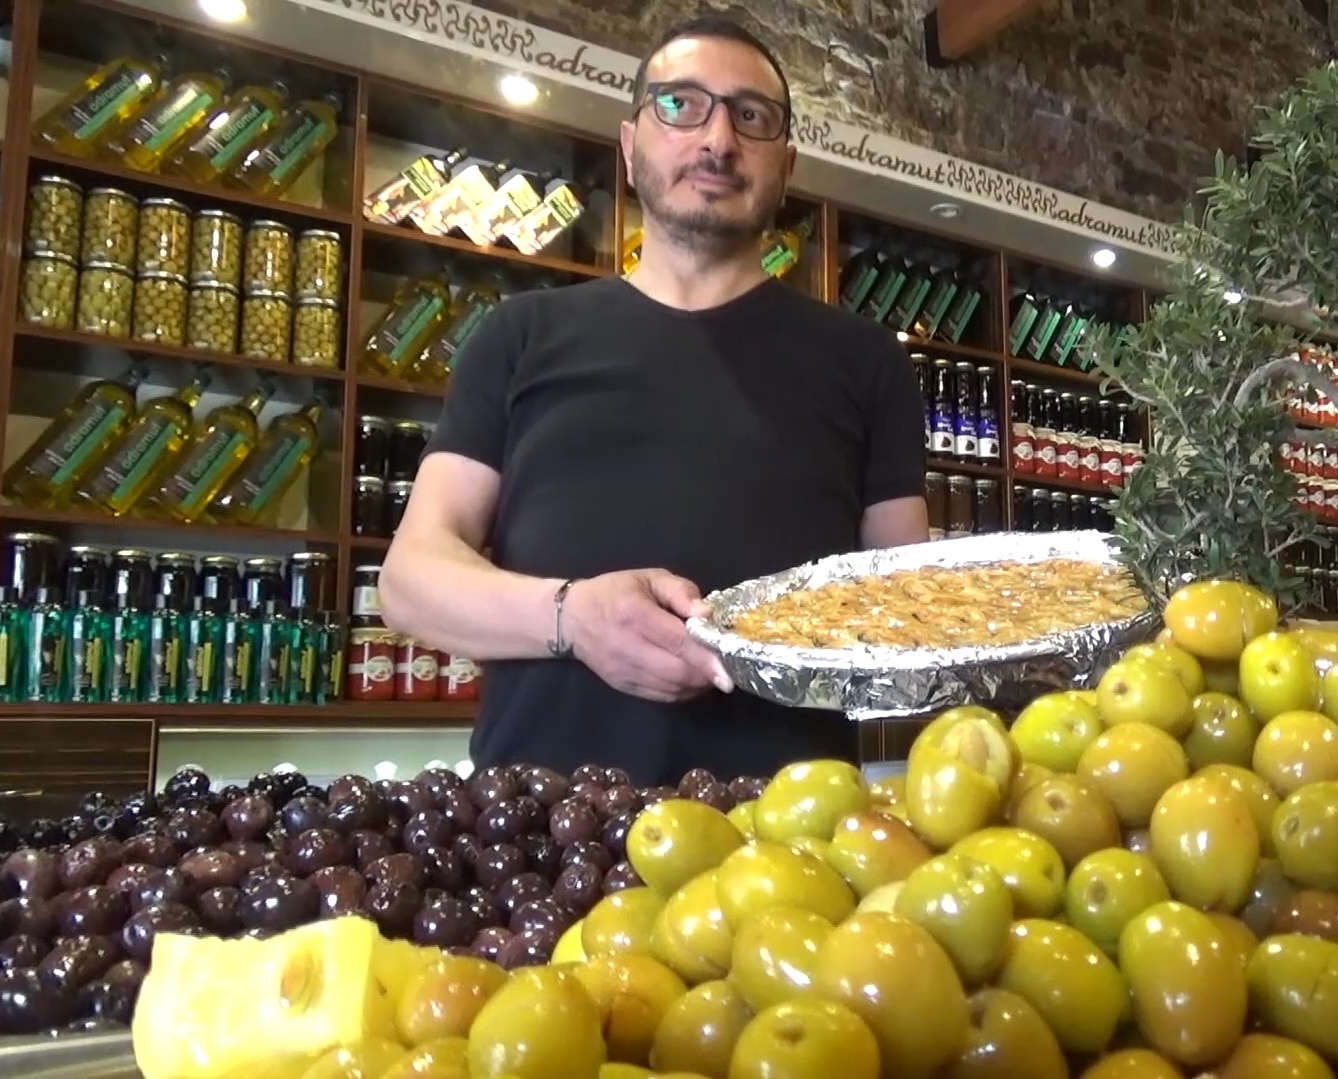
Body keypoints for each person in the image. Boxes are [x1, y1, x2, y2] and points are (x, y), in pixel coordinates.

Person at [378, 15, 929, 785]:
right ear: (630, 145)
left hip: (788, 832)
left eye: (752, 116)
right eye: (681, 105)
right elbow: (409, 581)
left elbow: (908, 617)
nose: (718, 140)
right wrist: (573, 617)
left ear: (786, 166)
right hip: (538, 830)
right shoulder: (519, 334)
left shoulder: (868, 362)